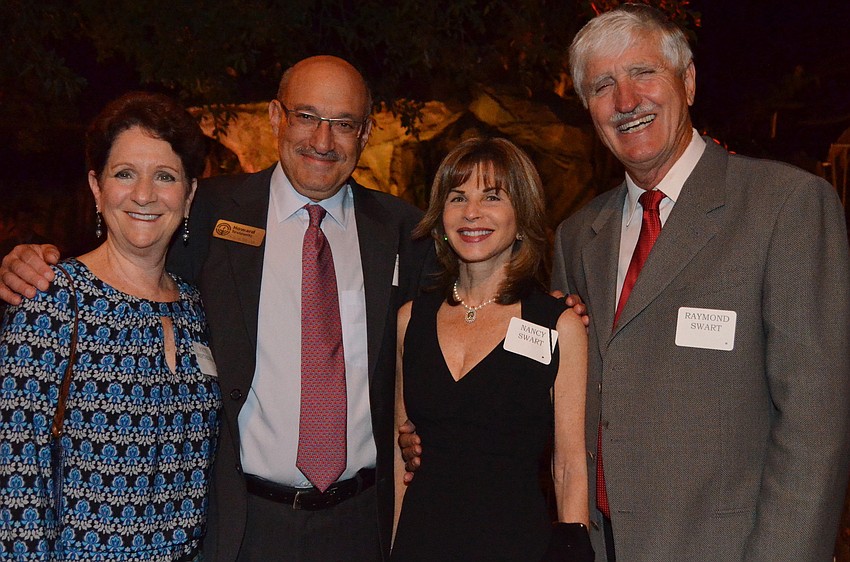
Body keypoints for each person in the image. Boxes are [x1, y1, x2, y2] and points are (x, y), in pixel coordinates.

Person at [0, 55, 436, 561]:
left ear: (365, 133)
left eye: (343, 124)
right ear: (276, 117)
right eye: (307, 116)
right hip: (241, 527)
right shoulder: (207, 211)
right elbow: (130, 241)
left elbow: (465, 318)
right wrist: (28, 259)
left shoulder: (406, 232)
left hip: (360, 525)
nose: (323, 140)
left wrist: (547, 308)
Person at [549, 4, 849, 561]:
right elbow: (564, 400)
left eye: (644, 73)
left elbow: (815, 421)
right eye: (603, 85)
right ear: (588, 108)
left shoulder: (785, 207)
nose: (626, 101)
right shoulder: (576, 237)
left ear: (687, 81)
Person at [0, 91, 219, 560]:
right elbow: (15, 484)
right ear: (97, 188)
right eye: (125, 174)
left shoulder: (198, 309)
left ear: (189, 194)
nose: (144, 194)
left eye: (165, 176)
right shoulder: (51, 300)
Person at [390, 138, 592, 561]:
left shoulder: (559, 324)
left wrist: (574, 550)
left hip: (516, 545)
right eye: (458, 196)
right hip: (421, 544)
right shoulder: (411, 319)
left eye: (492, 197)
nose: (471, 212)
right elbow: (402, 453)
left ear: (521, 216)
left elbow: (569, 467)